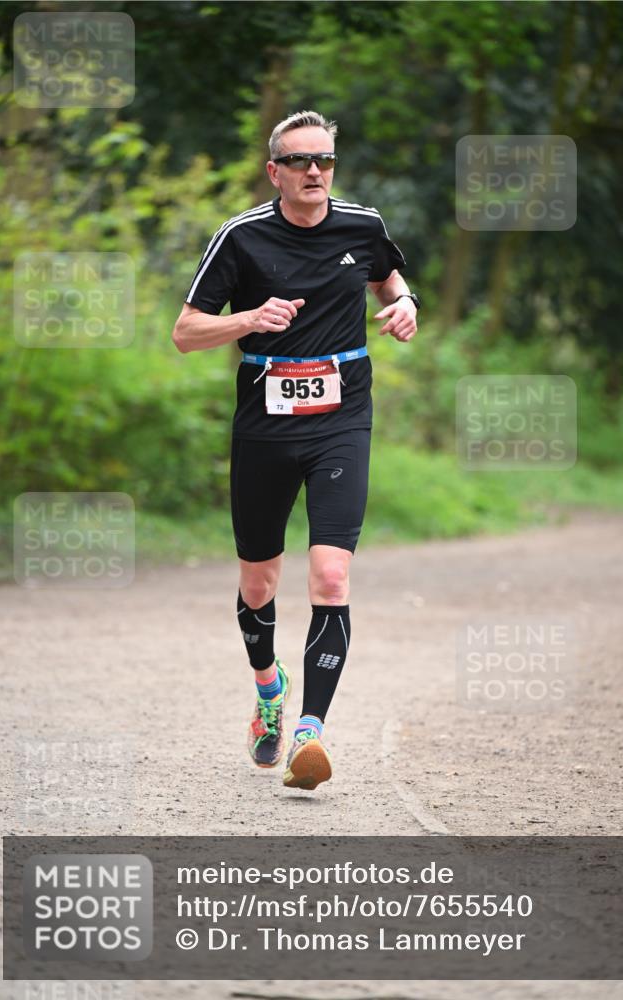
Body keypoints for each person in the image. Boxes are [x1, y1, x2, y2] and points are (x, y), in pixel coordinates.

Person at [172, 110, 419, 791]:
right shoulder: (241, 238)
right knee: (259, 583)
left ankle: (310, 733)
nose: (316, 172)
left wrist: (407, 306)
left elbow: (388, 279)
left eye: (326, 161)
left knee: (331, 579)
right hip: (264, 428)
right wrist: (251, 318)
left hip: (342, 421)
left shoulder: (362, 226)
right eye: (301, 161)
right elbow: (185, 333)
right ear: (274, 169)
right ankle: (267, 689)